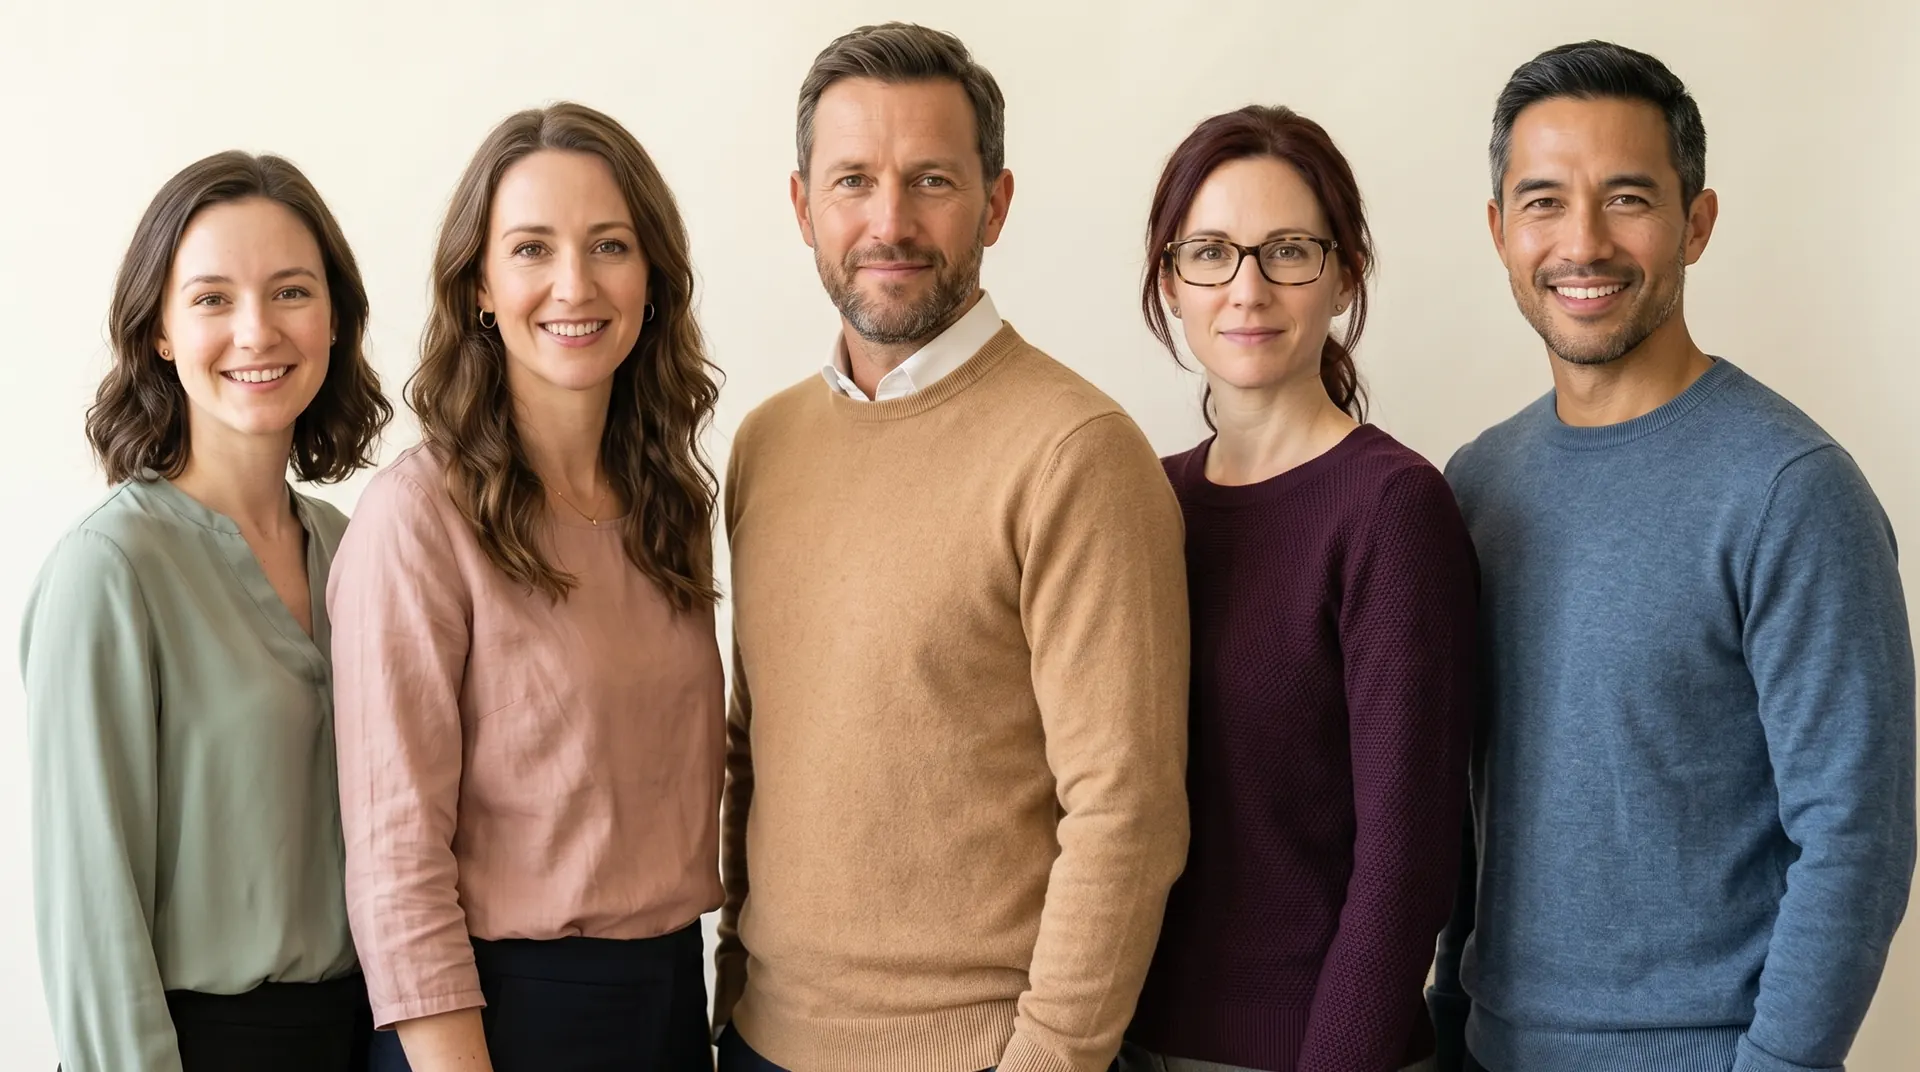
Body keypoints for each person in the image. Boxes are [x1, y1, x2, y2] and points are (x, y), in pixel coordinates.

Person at [1431, 40, 1916, 1072]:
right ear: (1499, 231)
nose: (1585, 242)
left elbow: (1857, 839)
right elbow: (1462, 799)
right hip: (1489, 1047)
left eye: (1629, 198)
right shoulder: (1476, 484)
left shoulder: (1792, 488)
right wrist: (1443, 1016)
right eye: (1545, 201)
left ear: (1696, 222)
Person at [714, 22, 1190, 1072]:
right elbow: (759, 748)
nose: (890, 221)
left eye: (931, 179)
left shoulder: (1078, 452)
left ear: (996, 203)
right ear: (803, 207)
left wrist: (1046, 1059)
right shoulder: (766, 442)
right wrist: (730, 1004)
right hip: (761, 1044)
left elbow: (1128, 810)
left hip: (980, 1053)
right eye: (852, 182)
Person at [329, 102, 725, 1072]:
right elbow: (397, 860)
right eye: (532, 248)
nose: (575, 284)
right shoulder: (417, 519)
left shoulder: (666, 506)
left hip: (672, 994)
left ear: (653, 277)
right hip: (496, 1021)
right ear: (479, 286)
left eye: (610, 245)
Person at [1117, 105, 1477, 1072]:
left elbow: (1406, 866)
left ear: (1346, 271)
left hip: (1315, 1052)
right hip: (1121, 1040)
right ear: (1170, 280)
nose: (1247, 288)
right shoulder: (1143, 499)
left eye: (1287, 250)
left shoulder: (1393, 510)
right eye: (1211, 253)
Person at [21, 150, 392, 1072]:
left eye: (292, 292)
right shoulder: (109, 571)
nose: (257, 331)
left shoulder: (358, 548)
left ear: (336, 319)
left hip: (368, 1038)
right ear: (157, 329)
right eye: (213, 298)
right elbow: (92, 918)